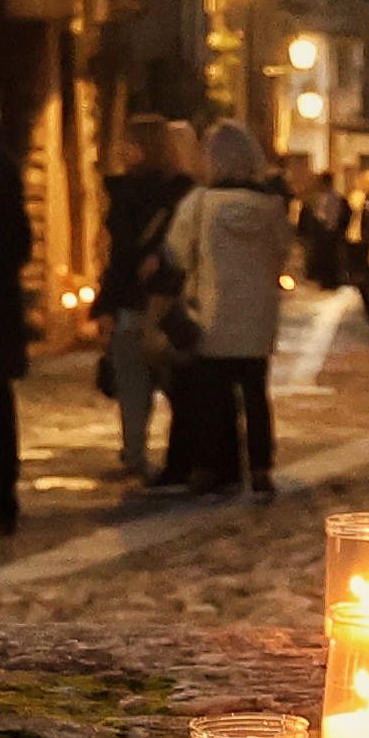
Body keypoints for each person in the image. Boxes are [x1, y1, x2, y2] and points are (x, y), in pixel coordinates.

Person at [155, 125, 295, 500]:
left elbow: (176, 253)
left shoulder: (199, 204)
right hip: (258, 318)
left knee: (212, 398)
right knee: (256, 395)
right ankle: (262, 469)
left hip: (211, 316)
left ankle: (211, 468)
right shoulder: (272, 207)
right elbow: (282, 252)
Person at [92, 117, 188, 488]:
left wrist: (107, 305)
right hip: (158, 303)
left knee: (143, 383)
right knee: (159, 381)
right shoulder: (180, 193)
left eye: (129, 143)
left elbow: (120, 258)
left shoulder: (130, 195)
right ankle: (155, 454)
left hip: (146, 303)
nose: (123, 150)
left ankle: (140, 453)